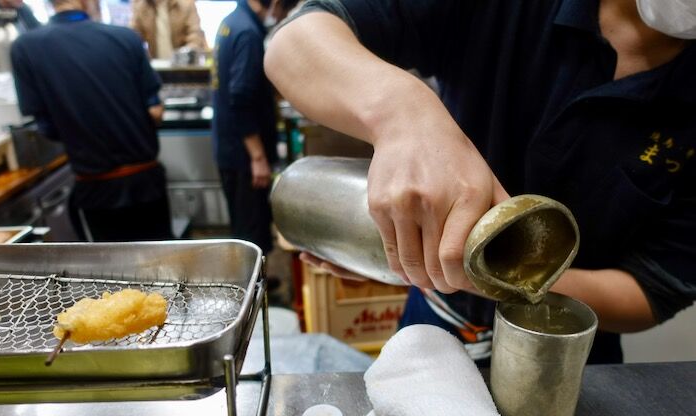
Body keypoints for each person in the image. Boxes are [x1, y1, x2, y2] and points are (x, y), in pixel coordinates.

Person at [265, 0, 696, 364]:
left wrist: (492, 271)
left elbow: (654, 290)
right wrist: (405, 114)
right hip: (438, 323)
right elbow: (296, 41)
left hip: (571, 351)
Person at [11, 0, 173, 241]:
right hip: (145, 183)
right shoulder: (126, 38)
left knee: (110, 272)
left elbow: (46, 127)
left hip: (94, 190)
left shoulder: (25, 48)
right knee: (165, 266)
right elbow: (155, 112)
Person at [212, 0, 298, 255]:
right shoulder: (248, 33)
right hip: (245, 157)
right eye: (284, 10)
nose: (281, 16)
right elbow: (240, 97)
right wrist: (258, 157)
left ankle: (256, 284)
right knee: (252, 235)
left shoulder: (231, 22)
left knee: (243, 228)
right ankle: (256, 292)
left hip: (229, 147)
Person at [130, 0, 206, 59]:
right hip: (156, 67)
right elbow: (133, 37)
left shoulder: (186, 4)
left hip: (183, 67)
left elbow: (195, 35)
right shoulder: (140, 6)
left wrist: (185, 55)